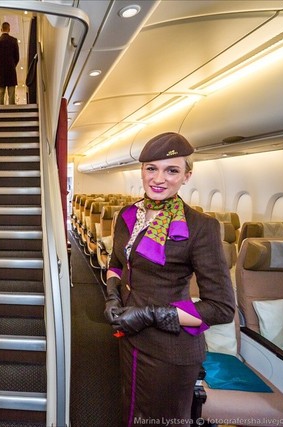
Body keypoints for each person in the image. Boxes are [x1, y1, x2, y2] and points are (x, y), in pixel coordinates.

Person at [103, 132, 235, 426]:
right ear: (142, 170)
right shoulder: (127, 215)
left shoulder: (200, 228)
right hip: (130, 338)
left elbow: (222, 307)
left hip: (169, 351)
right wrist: (112, 295)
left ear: (187, 176)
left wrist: (150, 315)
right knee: (131, 411)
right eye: (151, 168)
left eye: (171, 170)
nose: (158, 179)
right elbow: (117, 263)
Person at [0, 22, 19, 105]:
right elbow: (17, 57)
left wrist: (0, 65)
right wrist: (13, 65)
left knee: (0, 94)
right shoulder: (14, 41)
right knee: (11, 94)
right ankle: (12, 111)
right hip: (11, 70)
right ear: (9, 29)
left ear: (1, 29)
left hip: (1, 71)